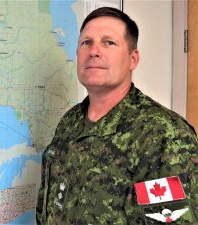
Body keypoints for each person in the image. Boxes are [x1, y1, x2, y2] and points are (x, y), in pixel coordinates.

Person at [36, 7, 198, 225]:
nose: (93, 51)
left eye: (108, 42)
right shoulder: (70, 122)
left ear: (133, 59)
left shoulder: (163, 135)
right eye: (86, 42)